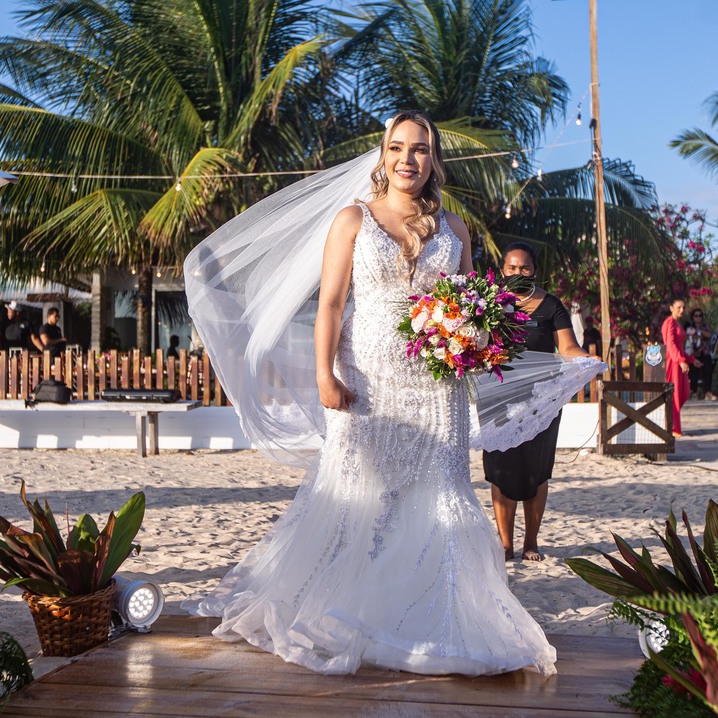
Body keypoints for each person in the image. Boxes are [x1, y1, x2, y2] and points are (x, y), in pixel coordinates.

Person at [182, 111, 602, 677]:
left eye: (421, 149)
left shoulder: (456, 230)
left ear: (434, 160)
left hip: (439, 383)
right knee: (360, 495)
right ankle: (347, 607)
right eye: (398, 147)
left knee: (441, 493)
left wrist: (472, 337)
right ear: (382, 156)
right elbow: (331, 303)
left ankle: (431, 612)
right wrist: (325, 375)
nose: (408, 158)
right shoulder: (353, 219)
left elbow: (475, 306)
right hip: (367, 381)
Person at [481, 244, 589, 563]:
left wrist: (589, 360)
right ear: (503, 271)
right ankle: (505, 544)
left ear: (535, 271)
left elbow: (568, 346)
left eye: (524, 268)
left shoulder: (551, 305)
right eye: (511, 268)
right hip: (498, 397)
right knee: (501, 468)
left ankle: (531, 542)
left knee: (536, 470)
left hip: (542, 401)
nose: (518, 273)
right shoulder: (487, 303)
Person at [662, 296, 699, 436]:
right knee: (675, 395)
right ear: (671, 308)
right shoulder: (669, 323)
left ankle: (672, 424)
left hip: (679, 361)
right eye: (679, 307)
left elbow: (680, 346)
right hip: (673, 362)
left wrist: (690, 359)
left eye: (683, 307)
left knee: (684, 393)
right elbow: (670, 344)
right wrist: (680, 360)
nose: (682, 310)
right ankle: (673, 428)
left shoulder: (678, 323)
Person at [685, 308, 716, 401]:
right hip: (693, 353)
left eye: (700, 316)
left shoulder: (704, 326)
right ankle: (694, 392)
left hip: (704, 352)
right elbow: (687, 337)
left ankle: (708, 392)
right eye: (696, 316)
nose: (698, 318)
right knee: (693, 373)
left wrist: (700, 332)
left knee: (708, 371)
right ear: (693, 317)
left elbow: (709, 335)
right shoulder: (690, 327)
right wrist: (696, 335)